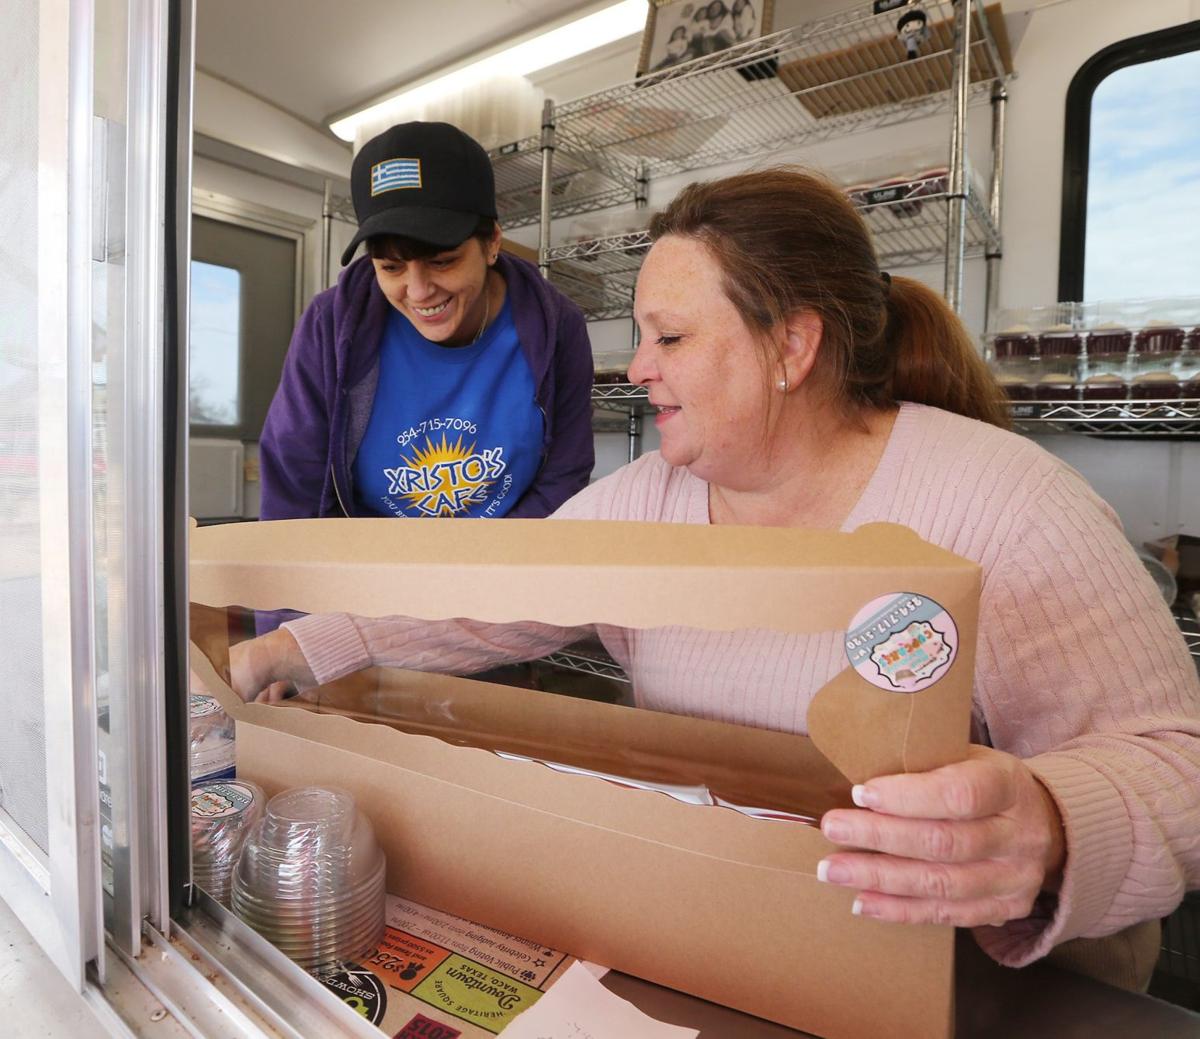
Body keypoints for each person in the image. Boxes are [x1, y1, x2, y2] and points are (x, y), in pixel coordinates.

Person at [232, 168, 1200, 991]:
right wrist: (292, 645)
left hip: (975, 974)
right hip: (746, 934)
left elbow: (1176, 759)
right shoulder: (646, 500)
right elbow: (486, 600)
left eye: (672, 338)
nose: (638, 370)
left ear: (792, 346)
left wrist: (1054, 827)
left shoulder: (1004, 502)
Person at [258, 121, 594, 521]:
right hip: (368, 566)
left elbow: (563, 476)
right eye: (391, 267)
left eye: (442, 262)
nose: (417, 292)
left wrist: (489, 572)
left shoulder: (557, 327)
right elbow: (294, 481)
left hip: (506, 565)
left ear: (492, 243)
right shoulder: (328, 325)